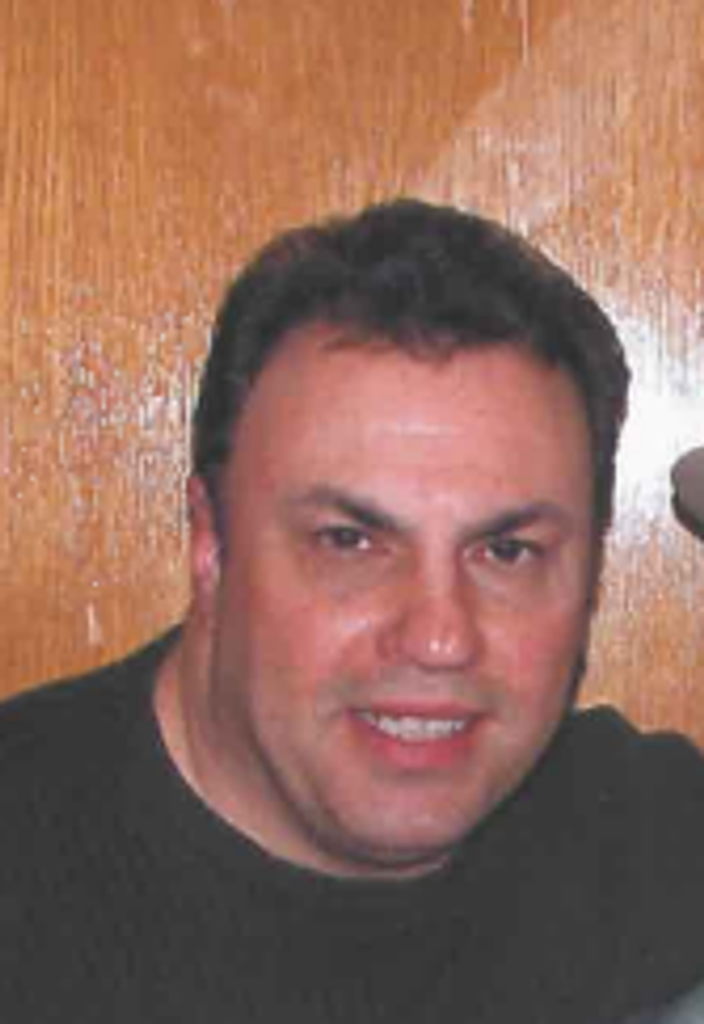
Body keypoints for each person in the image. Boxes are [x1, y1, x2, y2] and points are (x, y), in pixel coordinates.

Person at [2, 198, 704, 1024]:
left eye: (507, 552)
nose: (439, 637)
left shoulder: (648, 846)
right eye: (349, 542)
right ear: (211, 542)